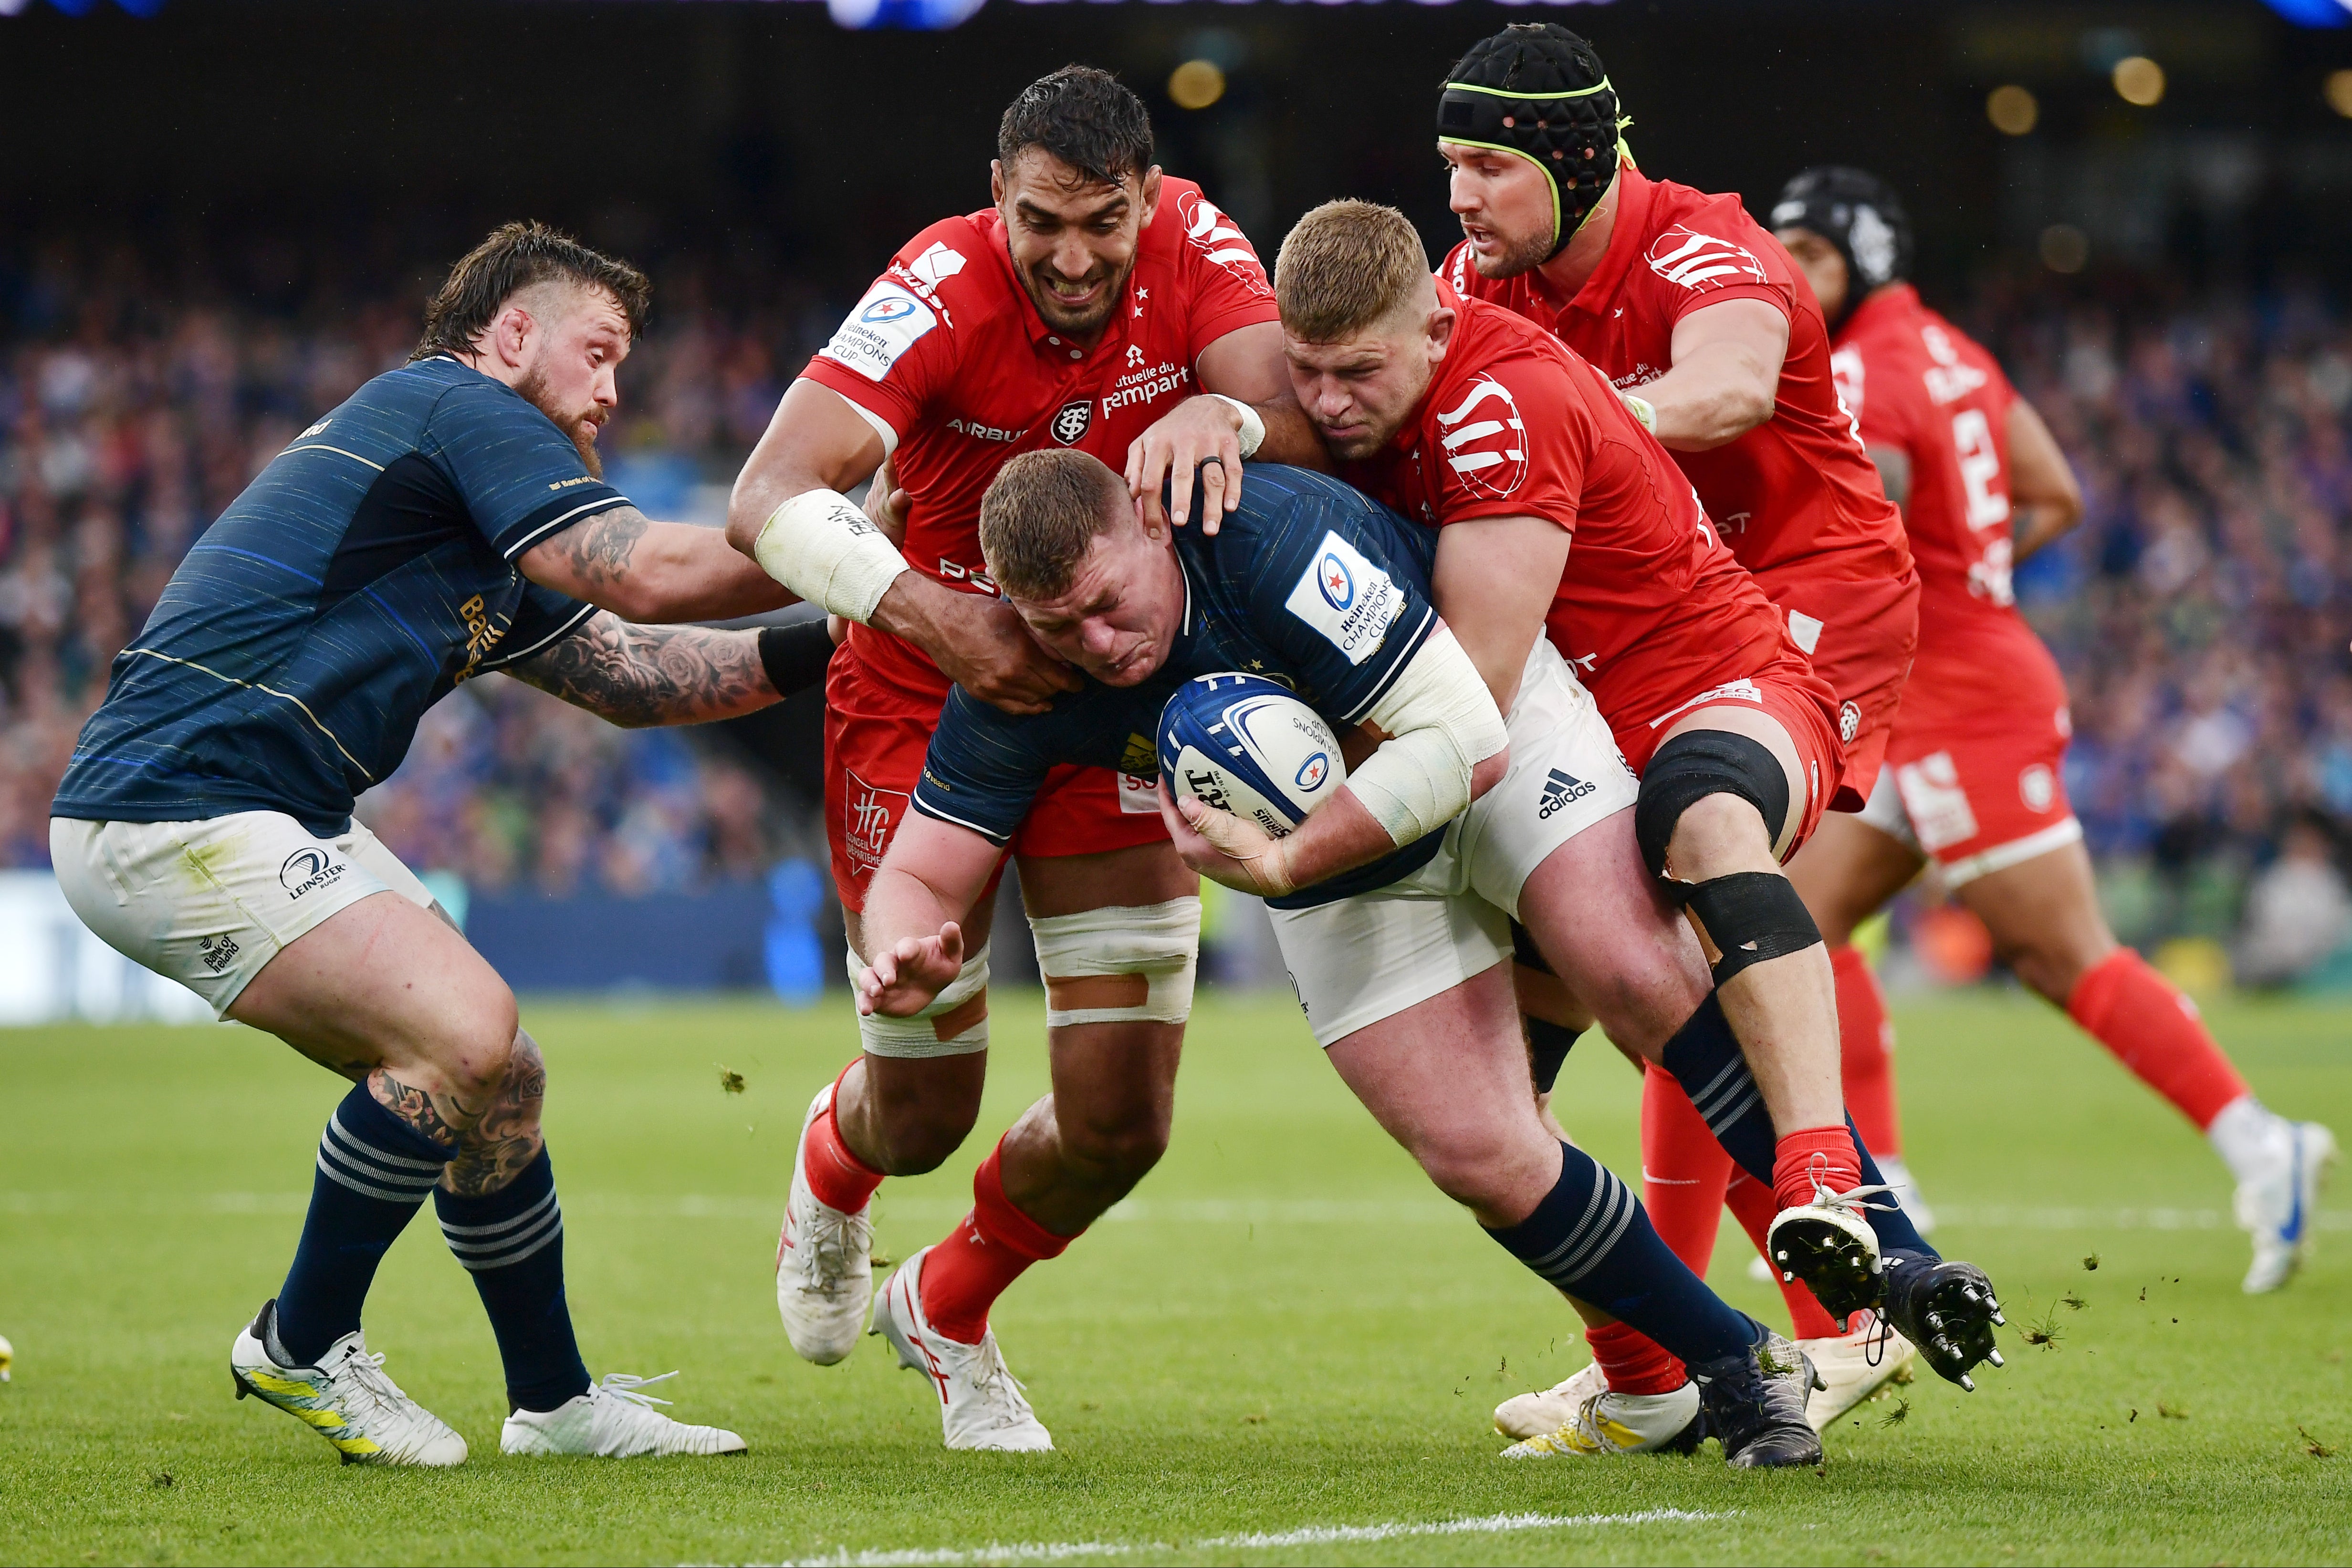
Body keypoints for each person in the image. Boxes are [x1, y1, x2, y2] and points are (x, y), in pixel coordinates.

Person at [857, 448, 1826, 1468]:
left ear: (1149, 523)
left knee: (1640, 975)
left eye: (1106, 604)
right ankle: (1738, 1366)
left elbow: (1462, 733)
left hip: (1476, 725)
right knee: (1479, 1154)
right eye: (1058, 626)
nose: (1097, 646)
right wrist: (899, 951)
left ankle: (1885, 1259)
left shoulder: (1262, 535)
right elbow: (917, 874)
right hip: (1328, 858)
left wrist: (1282, 857)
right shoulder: (1022, 672)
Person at [49, 223, 826, 1465]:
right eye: (599, 351)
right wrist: (850, 555)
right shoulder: (456, 406)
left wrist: (839, 637)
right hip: (177, 801)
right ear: (511, 336)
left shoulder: (475, 502)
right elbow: (648, 577)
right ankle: (299, 1345)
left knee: (499, 1075)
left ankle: (554, 1405)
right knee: (460, 1030)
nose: (615, 390)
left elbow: (640, 681)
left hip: (270, 807)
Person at [1267, 199, 2000, 1439]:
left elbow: (1472, 708)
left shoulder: (1505, 391)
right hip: (1590, 720)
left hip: (1703, 681)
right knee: (1499, 1112)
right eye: (1310, 374)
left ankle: (1841, 1210)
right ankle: (1673, 1367)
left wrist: (1296, 843)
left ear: (1435, 331)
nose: (1331, 401)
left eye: (1359, 371)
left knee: (1689, 869)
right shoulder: (1399, 367)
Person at [724, 66, 1316, 1450]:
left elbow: (1311, 422)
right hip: (924, 694)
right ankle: (834, 1163)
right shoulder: (935, 287)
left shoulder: (1201, 249)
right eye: (1040, 220)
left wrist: (1219, 417)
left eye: (1101, 223)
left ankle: (950, 1304)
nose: (1071, 255)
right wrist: (946, 618)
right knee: (925, 1112)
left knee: (1122, 1123)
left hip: (1116, 698)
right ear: (999, 199)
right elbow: (769, 495)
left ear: (1148, 200)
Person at [1425, 22, 1934, 1416]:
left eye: (1486, 165)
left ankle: (1835, 1229)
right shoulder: (1476, 277)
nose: (1458, 198)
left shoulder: (1703, 246)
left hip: (1799, 600)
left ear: (1575, 161)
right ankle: (1655, 1374)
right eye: (1449, 165)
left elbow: (1725, 390)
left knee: (1698, 840)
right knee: (1541, 1007)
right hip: (1640, 629)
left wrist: (1551, 426)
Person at [1766, 166, 2336, 1297]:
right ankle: (1883, 1182)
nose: (1794, 277)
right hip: (1933, 683)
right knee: (1789, 926)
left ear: (1864, 260)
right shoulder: (1949, 350)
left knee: (2058, 956)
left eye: (1814, 257)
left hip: (1960, 702)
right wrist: (1966, 576)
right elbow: (2056, 493)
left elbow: (1853, 519)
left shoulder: (1860, 368)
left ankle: (2261, 1144)